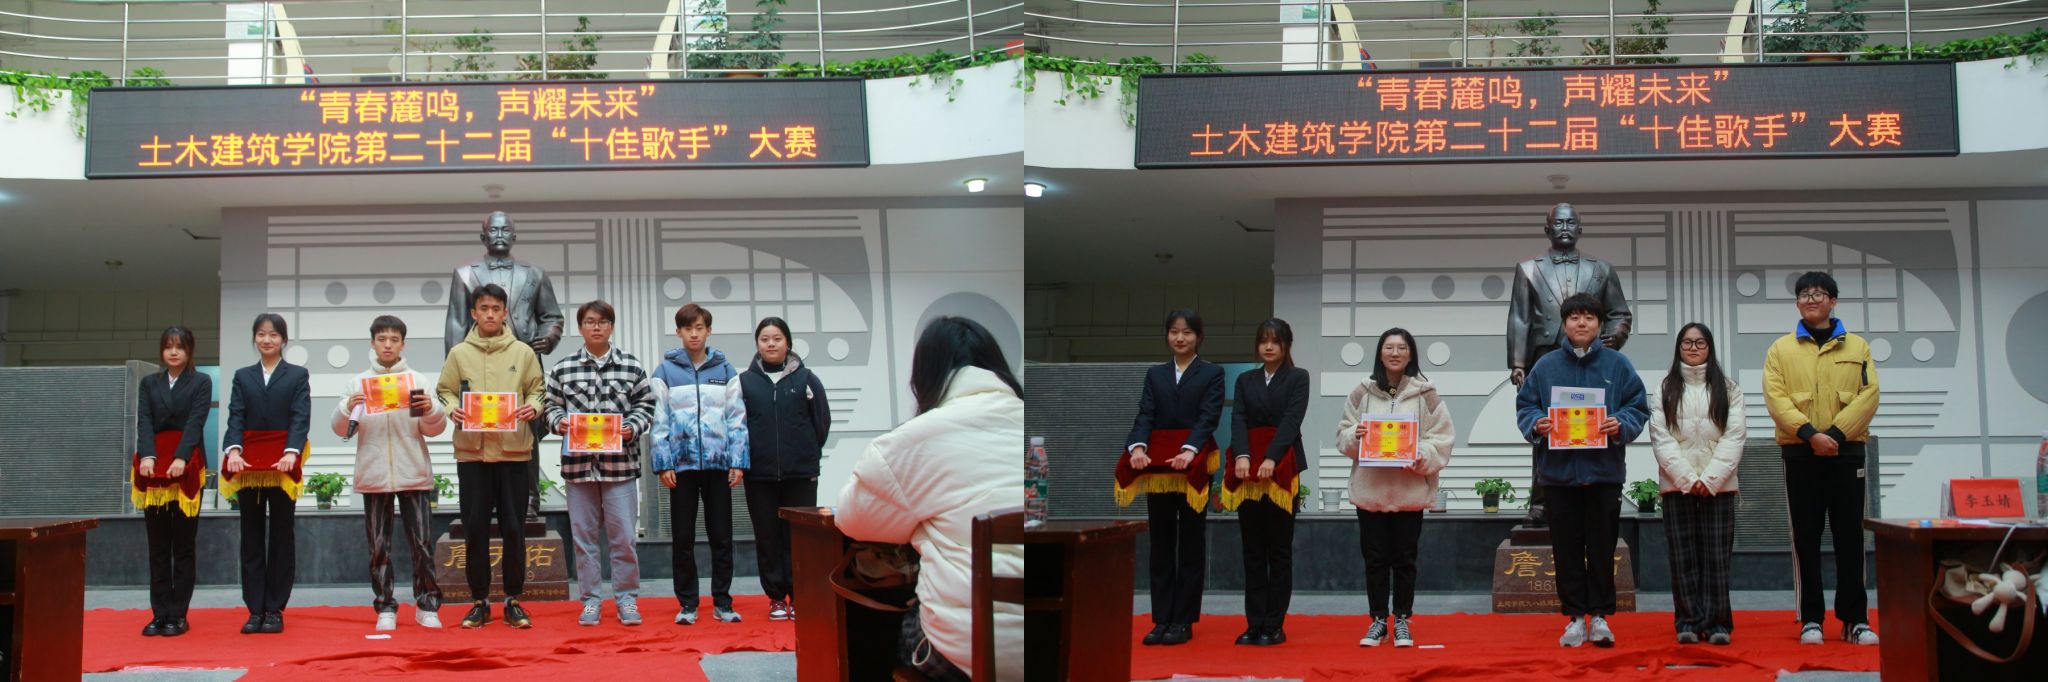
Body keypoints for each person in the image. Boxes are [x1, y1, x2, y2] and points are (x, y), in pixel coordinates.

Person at [836, 316, 1025, 681]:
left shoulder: (914, 438)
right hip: (1056, 643)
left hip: (966, 655)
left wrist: (922, 521)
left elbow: (850, 517)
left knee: (879, 616)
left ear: (925, 375)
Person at [1515, 293, 1649, 649]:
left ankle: (1601, 616)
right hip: (1559, 477)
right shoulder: (1545, 366)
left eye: (1589, 317)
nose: (1581, 323)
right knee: (1567, 549)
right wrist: (1537, 423)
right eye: (1574, 317)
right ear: (1564, 323)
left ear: (1600, 323)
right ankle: (1575, 618)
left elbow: (1638, 406)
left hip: (1604, 474)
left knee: (1603, 549)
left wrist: (1620, 423)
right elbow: (1526, 405)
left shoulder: (1618, 365)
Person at [1763, 271, 1881, 646]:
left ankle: (1855, 619)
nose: (1811, 300)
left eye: (1818, 293)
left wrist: (1836, 435)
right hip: (1801, 452)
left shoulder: (1857, 347)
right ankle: (1811, 618)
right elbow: (1775, 398)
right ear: (1797, 303)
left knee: (1850, 537)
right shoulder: (1780, 349)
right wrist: (1810, 434)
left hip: (1847, 452)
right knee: (1805, 537)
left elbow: (1869, 395)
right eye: (1804, 294)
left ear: (1833, 301)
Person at [437, 283, 547, 629]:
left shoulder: (523, 353)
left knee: (515, 529)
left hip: (514, 453)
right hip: (472, 454)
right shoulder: (459, 354)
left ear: (504, 313)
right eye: (483, 308)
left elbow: (538, 390)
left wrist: (533, 407)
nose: (489, 314)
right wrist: (453, 409)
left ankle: (513, 599)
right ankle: (479, 602)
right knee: (475, 529)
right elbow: (445, 391)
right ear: (473, 313)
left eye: (496, 309)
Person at [1113, 309, 1225, 647]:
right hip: (1159, 466)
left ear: (1199, 337)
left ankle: (1183, 620)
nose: (1180, 338)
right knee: (1161, 543)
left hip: (1192, 465)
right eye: (1174, 331)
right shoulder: (1155, 374)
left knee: (1191, 542)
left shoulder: (1212, 373)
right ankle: (1161, 618)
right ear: (1167, 336)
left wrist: (1190, 450)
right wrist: (1137, 447)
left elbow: (1209, 416)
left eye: (1187, 332)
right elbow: (1145, 413)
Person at [544, 300, 659, 627]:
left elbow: (646, 406)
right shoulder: (563, 368)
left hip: (620, 467)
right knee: (584, 540)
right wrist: (558, 422)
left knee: (623, 538)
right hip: (579, 469)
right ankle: (591, 601)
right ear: (580, 327)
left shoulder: (631, 366)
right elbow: (550, 406)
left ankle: (627, 599)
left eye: (603, 322)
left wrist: (632, 427)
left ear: (611, 326)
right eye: (590, 322)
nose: (596, 327)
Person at [1337, 328, 1453, 649]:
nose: (1395, 353)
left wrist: (1420, 453)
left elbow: (1443, 438)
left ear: (1411, 353)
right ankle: (1378, 620)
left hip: (1409, 493)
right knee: (1374, 560)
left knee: (1404, 559)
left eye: (1402, 348)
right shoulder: (1361, 391)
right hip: (1371, 493)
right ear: (1380, 352)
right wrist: (1355, 436)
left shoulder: (1427, 393)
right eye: (1389, 347)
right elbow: (1342, 433)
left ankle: (1402, 619)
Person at [334, 315, 448, 631]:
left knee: (422, 543)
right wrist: (346, 407)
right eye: (382, 339)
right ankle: (385, 606)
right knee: (378, 546)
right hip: (374, 474)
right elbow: (342, 430)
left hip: (413, 470)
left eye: (394, 340)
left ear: (403, 344)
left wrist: (432, 409)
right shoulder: (358, 384)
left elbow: (433, 429)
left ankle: (427, 605)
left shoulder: (416, 381)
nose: (387, 345)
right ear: (373, 343)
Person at [1647, 323, 1745, 646]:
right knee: (1682, 556)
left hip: (1720, 485)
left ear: (1709, 348)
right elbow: (1661, 438)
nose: (1693, 348)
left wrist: (1711, 478)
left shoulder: (1728, 388)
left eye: (1700, 343)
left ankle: (1717, 623)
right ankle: (1687, 621)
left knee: (1717, 557)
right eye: (1687, 343)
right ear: (1678, 347)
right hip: (1678, 485)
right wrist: (1688, 479)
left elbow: (1734, 436)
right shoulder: (1665, 388)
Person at [651, 303, 749, 626]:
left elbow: (736, 418)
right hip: (681, 467)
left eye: (699, 328)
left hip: (719, 465)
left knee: (722, 536)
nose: (694, 334)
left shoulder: (725, 370)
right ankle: (688, 604)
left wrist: (738, 461)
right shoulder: (665, 372)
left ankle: (723, 601)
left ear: (709, 331)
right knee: (683, 538)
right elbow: (659, 420)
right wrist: (663, 463)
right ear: (678, 332)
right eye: (687, 328)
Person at [220, 313, 312, 635]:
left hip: (283, 465)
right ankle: (254, 609)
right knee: (251, 535)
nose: (267, 340)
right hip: (248, 467)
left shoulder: (297, 374)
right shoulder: (242, 376)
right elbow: (236, 415)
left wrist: (291, 452)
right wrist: (233, 451)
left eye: (273, 334)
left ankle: (275, 609)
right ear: (254, 338)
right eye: (261, 334)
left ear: (284, 339)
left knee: (282, 536)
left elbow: (300, 416)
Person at [1219, 318, 1308, 647]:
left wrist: (1271, 458)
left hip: (1282, 467)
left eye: (1275, 341)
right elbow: (1238, 417)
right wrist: (1242, 455)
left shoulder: (1298, 377)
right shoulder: (1245, 379)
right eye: (1263, 341)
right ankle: (1254, 624)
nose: (1268, 347)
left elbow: (1292, 420)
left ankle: (1274, 624)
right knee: (1252, 549)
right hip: (1248, 472)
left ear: (1286, 344)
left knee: (1279, 550)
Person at [738, 317, 831, 621]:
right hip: (759, 474)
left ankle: (801, 595)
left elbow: (821, 422)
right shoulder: (745, 382)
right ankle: (777, 598)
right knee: (767, 537)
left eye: (777, 338)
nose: (771, 344)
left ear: (788, 343)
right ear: (757, 344)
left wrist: (805, 452)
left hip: (800, 474)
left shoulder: (806, 379)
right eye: (765, 339)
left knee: (800, 538)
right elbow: (737, 425)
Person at [133, 325, 212, 638]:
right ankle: (159, 613)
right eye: (168, 346)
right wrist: (147, 456)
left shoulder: (201, 382)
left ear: (189, 350)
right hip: (153, 468)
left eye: (180, 346)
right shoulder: (149, 383)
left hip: (187, 466)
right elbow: (144, 420)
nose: (174, 352)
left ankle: (178, 614)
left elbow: (196, 421)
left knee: (183, 545)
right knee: (157, 546)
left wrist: (181, 456)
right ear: (162, 351)